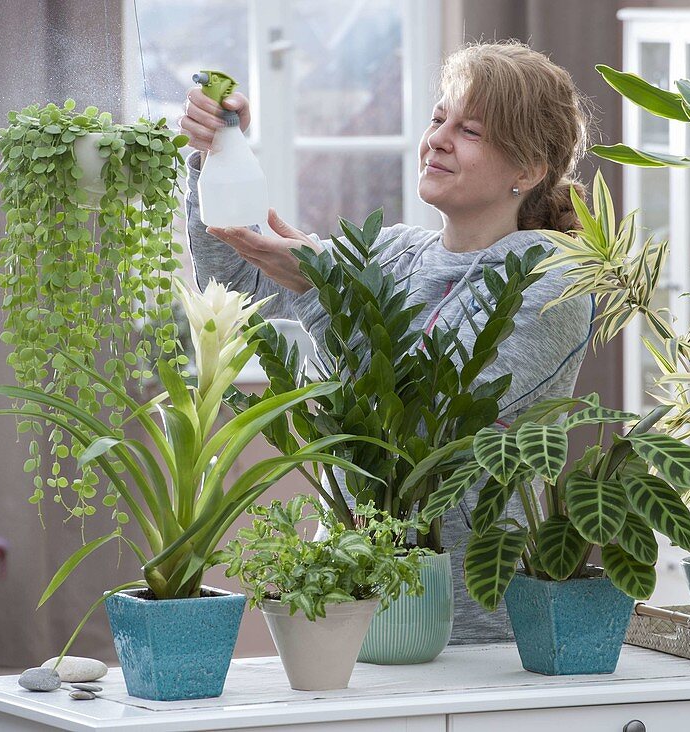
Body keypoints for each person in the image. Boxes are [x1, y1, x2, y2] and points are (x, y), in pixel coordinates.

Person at [179, 41, 594, 644]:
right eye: (437, 118)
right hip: (349, 593)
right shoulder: (394, 252)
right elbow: (232, 279)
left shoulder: (551, 282)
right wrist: (215, 157)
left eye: (469, 129)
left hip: (467, 622)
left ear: (528, 171)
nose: (439, 139)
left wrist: (321, 289)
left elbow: (426, 422)